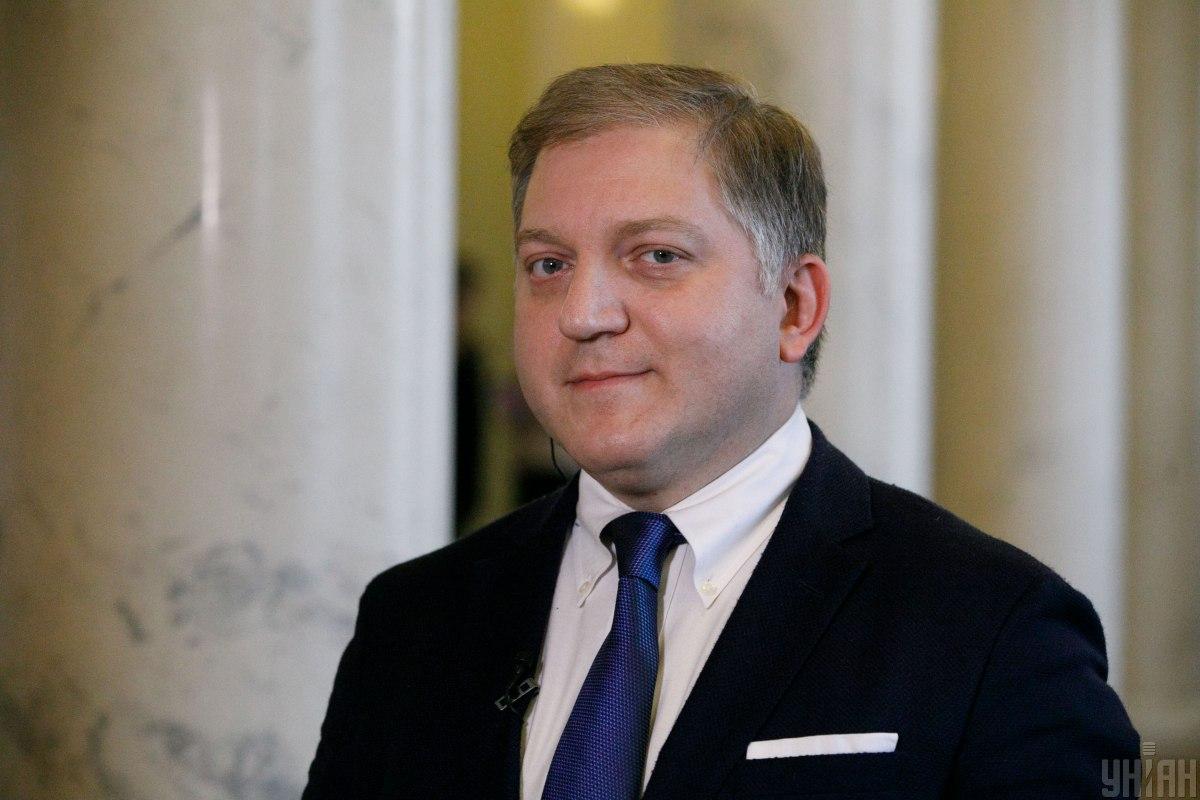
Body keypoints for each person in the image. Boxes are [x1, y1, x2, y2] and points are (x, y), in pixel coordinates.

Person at [302, 64, 1139, 800]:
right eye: (548, 265)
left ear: (795, 307)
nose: (583, 314)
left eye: (656, 256)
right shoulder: (416, 620)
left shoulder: (991, 627)